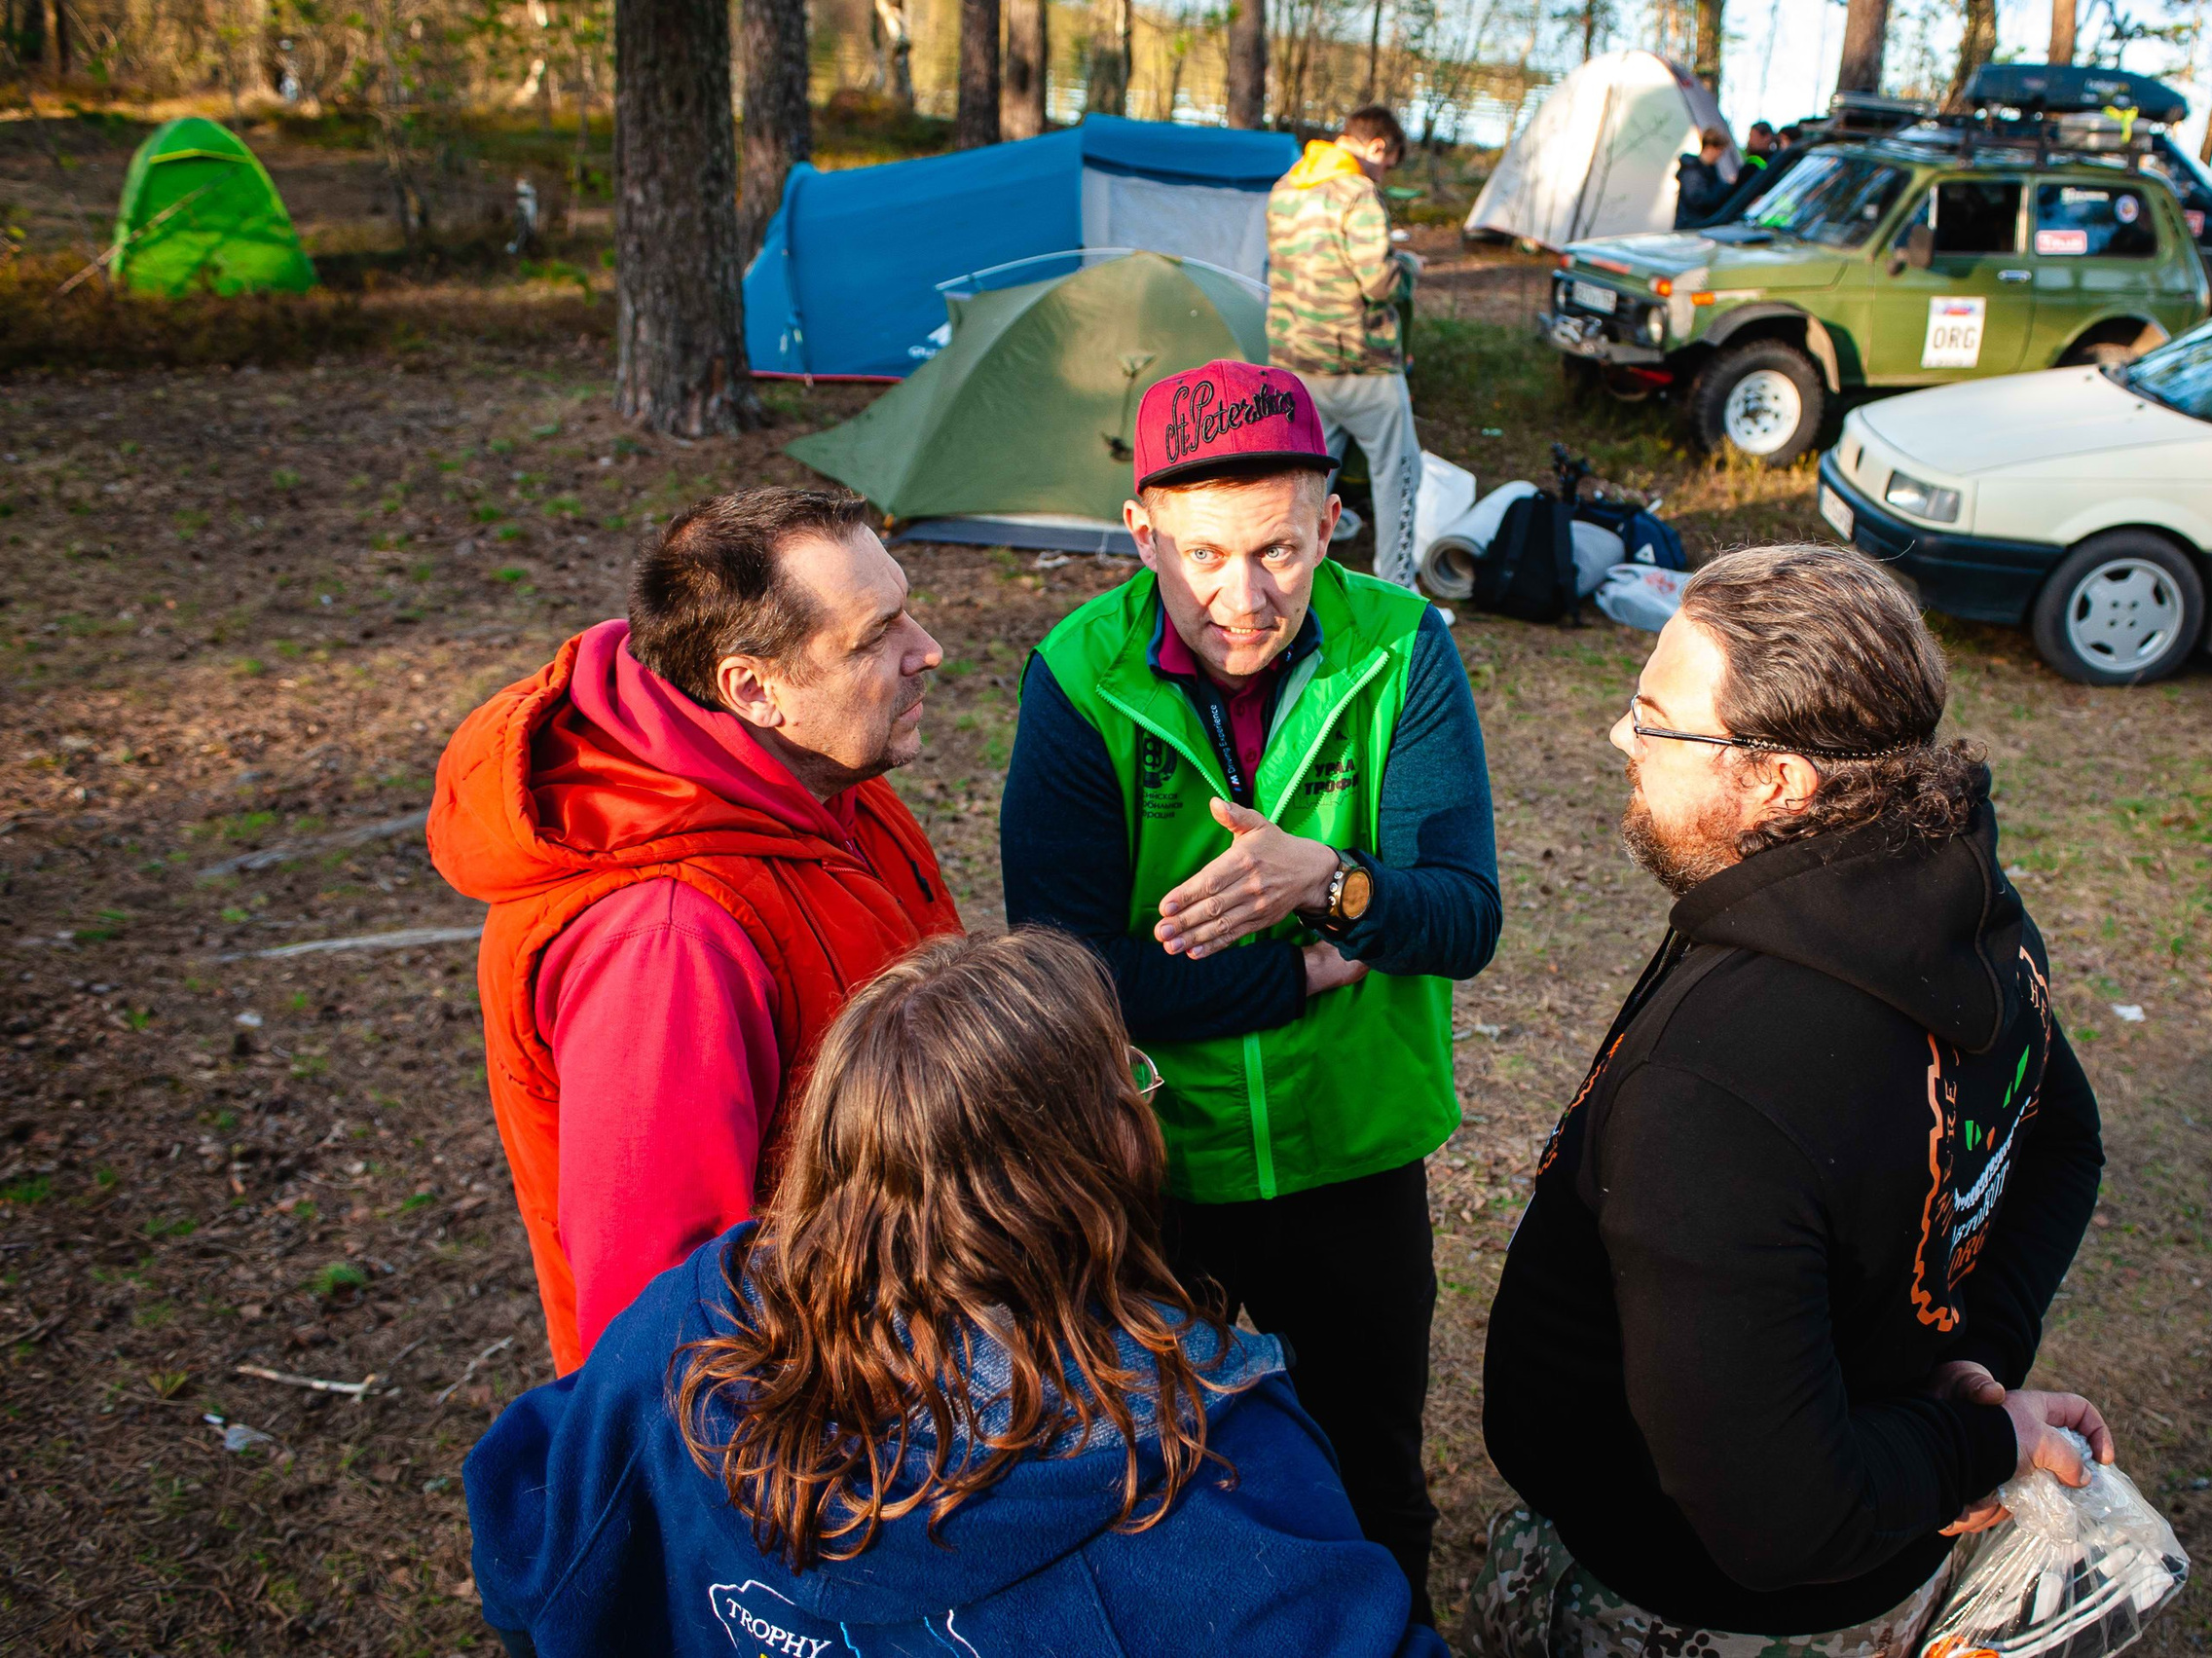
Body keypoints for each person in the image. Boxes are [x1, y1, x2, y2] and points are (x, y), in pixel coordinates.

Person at [465, 929, 1447, 1658]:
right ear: (1077, 1165)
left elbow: (523, 1545)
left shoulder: (686, 1329)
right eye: (1126, 1083)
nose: (1143, 1103)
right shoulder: (1195, 1466)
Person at [1472, 545, 2111, 1658]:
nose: (1619, 736)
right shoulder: (1962, 910)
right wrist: (1973, 1367)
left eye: (1655, 719)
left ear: (1778, 779)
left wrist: (1983, 1437)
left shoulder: (1714, 1088)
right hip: (1871, 1548)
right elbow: (2064, 1140)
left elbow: (1781, 1518)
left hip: (1685, 1595)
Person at [999, 359, 1500, 1621]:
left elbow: (1463, 917)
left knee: (1373, 1470)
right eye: (1203, 554)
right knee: (1169, 1479)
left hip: (1356, 1154)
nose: (1244, 596)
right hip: (1156, 1167)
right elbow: (1065, 980)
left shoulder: (1402, 647)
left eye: (1278, 549)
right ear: (1141, 533)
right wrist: (1300, 968)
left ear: (1331, 521)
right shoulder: (1077, 676)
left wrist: (1327, 879)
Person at [429, 486, 958, 1375]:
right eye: (876, 636)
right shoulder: (664, 945)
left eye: (905, 611)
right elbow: (667, 1318)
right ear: (752, 688)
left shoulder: (823, 777)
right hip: (827, 1408)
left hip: (917, 1335)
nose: (928, 649)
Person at [1265, 102, 1427, 587]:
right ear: (1376, 146)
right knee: (1400, 477)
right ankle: (1399, 590)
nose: (1383, 174)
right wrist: (1408, 269)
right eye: (1387, 163)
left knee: (1304, 488)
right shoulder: (1358, 192)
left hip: (1296, 364)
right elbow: (1378, 281)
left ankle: (1289, 585)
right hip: (1361, 365)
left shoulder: (1287, 185)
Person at [1675, 127, 1738, 227]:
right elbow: (1699, 200)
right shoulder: (1692, 170)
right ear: (1710, 147)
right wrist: (1726, 187)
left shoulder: (1710, 169)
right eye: (1720, 150)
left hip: (1700, 225)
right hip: (1691, 227)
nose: (1720, 155)